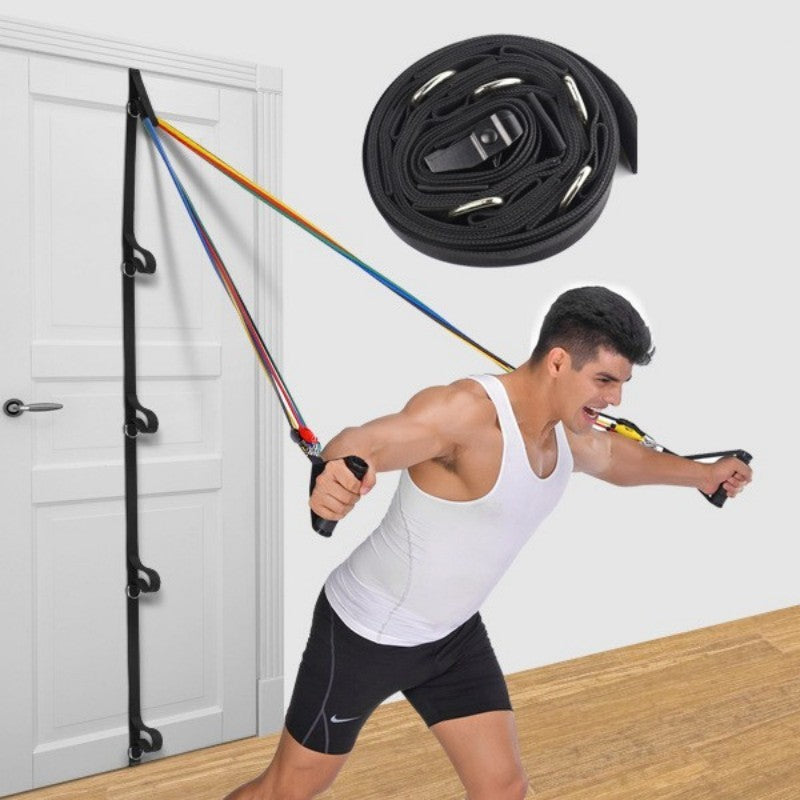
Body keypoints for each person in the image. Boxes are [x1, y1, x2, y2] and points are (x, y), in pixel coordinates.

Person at [225, 286, 752, 800]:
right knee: (291, 789)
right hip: (366, 634)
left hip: (453, 639)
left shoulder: (568, 430)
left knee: (503, 789)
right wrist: (340, 467)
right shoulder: (467, 414)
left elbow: (617, 459)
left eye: (621, 384)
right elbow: (375, 440)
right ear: (558, 362)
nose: (614, 398)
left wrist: (701, 475)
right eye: (605, 380)